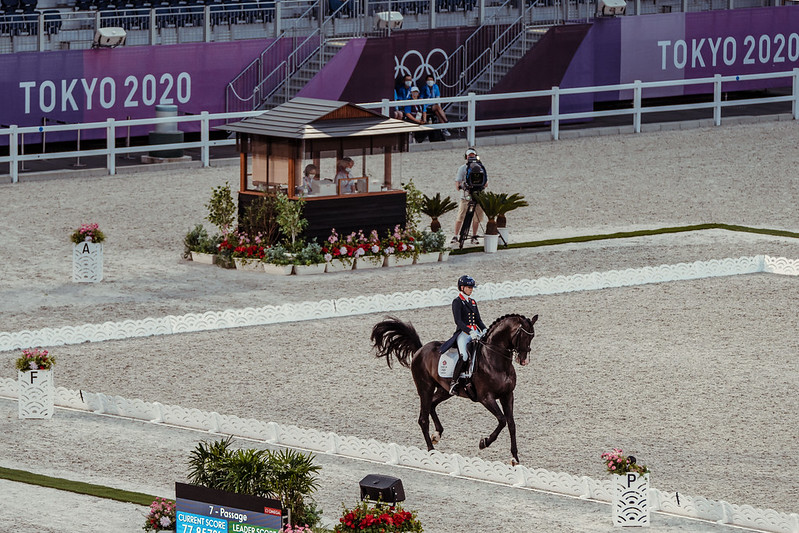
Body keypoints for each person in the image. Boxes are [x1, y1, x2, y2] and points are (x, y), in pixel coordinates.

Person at [441, 275, 486, 396]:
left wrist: (485, 329)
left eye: (472, 287)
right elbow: (458, 321)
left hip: (474, 332)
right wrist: (469, 331)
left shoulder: (472, 302)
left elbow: (478, 320)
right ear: (462, 287)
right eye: (469, 287)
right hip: (463, 333)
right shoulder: (457, 301)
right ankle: (454, 382)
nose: (471, 289)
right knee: (464, 355)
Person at [452, 147, 487, 245]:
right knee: (461, 216)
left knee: (477, 218)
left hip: (478, 196)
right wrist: (462, 186)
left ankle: (474, 235)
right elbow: (457, 183)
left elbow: (485, 182)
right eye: (469, 155)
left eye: (473, 155)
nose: (471, 157)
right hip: (465, 197)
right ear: (466, 157)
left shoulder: (481, 168)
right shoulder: (462, 168)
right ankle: (456, 235)